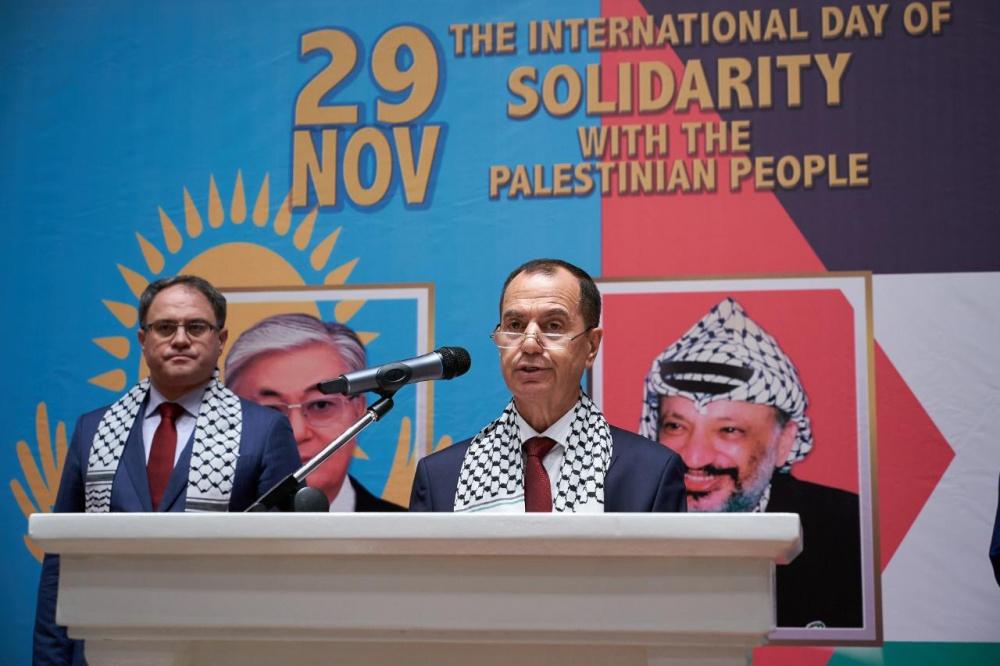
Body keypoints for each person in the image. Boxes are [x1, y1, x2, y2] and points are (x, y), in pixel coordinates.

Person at [33, 275, 301, 665]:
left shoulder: (263, 431)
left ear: (221, 339)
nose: (180, 339)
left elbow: (286, 563)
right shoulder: (94, 430)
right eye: (164, 328)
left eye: (196, 327)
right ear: (143, 340)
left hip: (220, 647)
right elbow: (62, 559)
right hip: (105, 644)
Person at [640, 297, 862, 628]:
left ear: (784, 441)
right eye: (675, 426)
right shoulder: (623, 518)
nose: (694, 457)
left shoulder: (847, 532)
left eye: (729, 430)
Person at [410, 258, 686, 513]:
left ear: (591, 346)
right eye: (515, 325)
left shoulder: (650, 473)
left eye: (553, 325)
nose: (529, 344)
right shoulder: (441, 478)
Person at [225, 314, 403, 511]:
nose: (297, 433)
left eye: (321, 405)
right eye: (270, 410)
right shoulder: (203, 522)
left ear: (359, 410)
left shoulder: (403, 528)